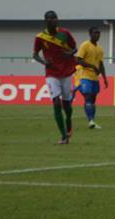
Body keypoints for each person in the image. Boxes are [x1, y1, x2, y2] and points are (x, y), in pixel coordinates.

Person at [33, 10, 96, 144]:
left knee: (67, 105)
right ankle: (63, 136)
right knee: (56, 102)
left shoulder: (64, 33)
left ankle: (68, 123)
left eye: (55, 18)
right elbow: (35, 54)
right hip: (51, 73)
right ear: (46, 21)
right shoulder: (40, 37)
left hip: (66, 72)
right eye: (51, 18)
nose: (54, 20)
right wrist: (44, 62)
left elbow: (74, 48)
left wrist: (69, 54)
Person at [75, 27, 109, 130]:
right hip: (84, 75)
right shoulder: (85, 45)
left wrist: (105, 78)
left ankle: (92, 121)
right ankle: (90, 121)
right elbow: (78, 60)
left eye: (98, 33)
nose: (97, 35)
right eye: (95, 33)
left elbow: (101, 65)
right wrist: (92, 66)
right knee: (88, 97)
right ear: (90, 34)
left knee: (93, 100)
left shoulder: (100, 49)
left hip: (95, 78)